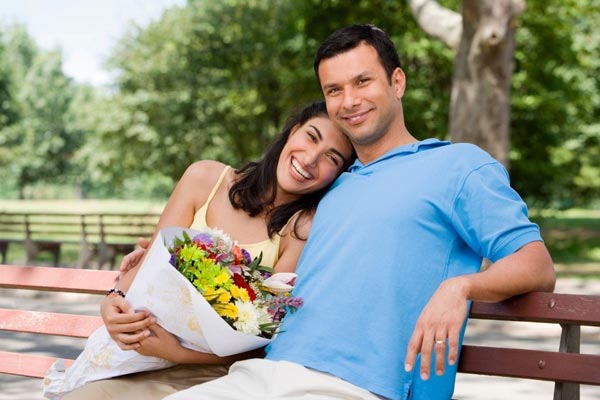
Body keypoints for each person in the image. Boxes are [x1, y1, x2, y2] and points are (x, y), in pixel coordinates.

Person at [162, 24, 556, 400]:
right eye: (334, 89)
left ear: (397, 82)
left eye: (362, 81)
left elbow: (537, 266)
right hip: (262, 375)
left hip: (356, 387)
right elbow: (262, 277)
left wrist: (461, 287)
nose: (348, 101)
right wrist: (162, 257)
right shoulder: (330, 187)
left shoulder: (458, 166)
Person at [61, 100, 355, 400]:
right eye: (311, 137)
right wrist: (111, 304)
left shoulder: (299, 230)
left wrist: (176, 353)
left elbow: (261, 341)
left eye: (331, 158)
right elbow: (143, 270)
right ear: (292, 132)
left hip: (208, 373)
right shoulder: (205, 179)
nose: (310, 159)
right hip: (137, 351)